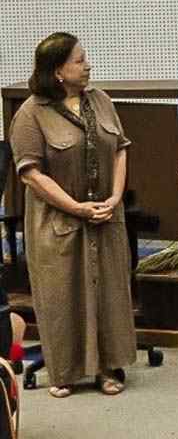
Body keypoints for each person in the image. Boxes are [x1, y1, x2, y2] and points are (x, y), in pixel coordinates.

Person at [9, 32, 137, 397]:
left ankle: (108, 368)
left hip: (106, 215)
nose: (88, 65)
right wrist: (76, 207)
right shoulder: (31, 114)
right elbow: (31, 174)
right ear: (58, 71)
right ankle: (63, 371)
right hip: (59, 223)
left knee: (110, 293)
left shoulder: (101, 101)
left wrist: (115, 196)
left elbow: (120, 150)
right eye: (80, 60)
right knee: (62, 294)